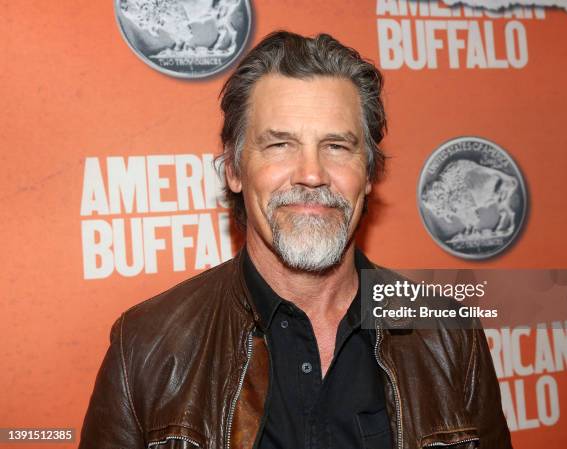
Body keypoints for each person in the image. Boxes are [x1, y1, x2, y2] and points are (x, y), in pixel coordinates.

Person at [79, 30, 512, 449]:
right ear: (233, 170)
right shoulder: (146, 346)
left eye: (337, 147)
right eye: (281, 144)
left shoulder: (448, 334)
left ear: (368, 175)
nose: (312, 174)